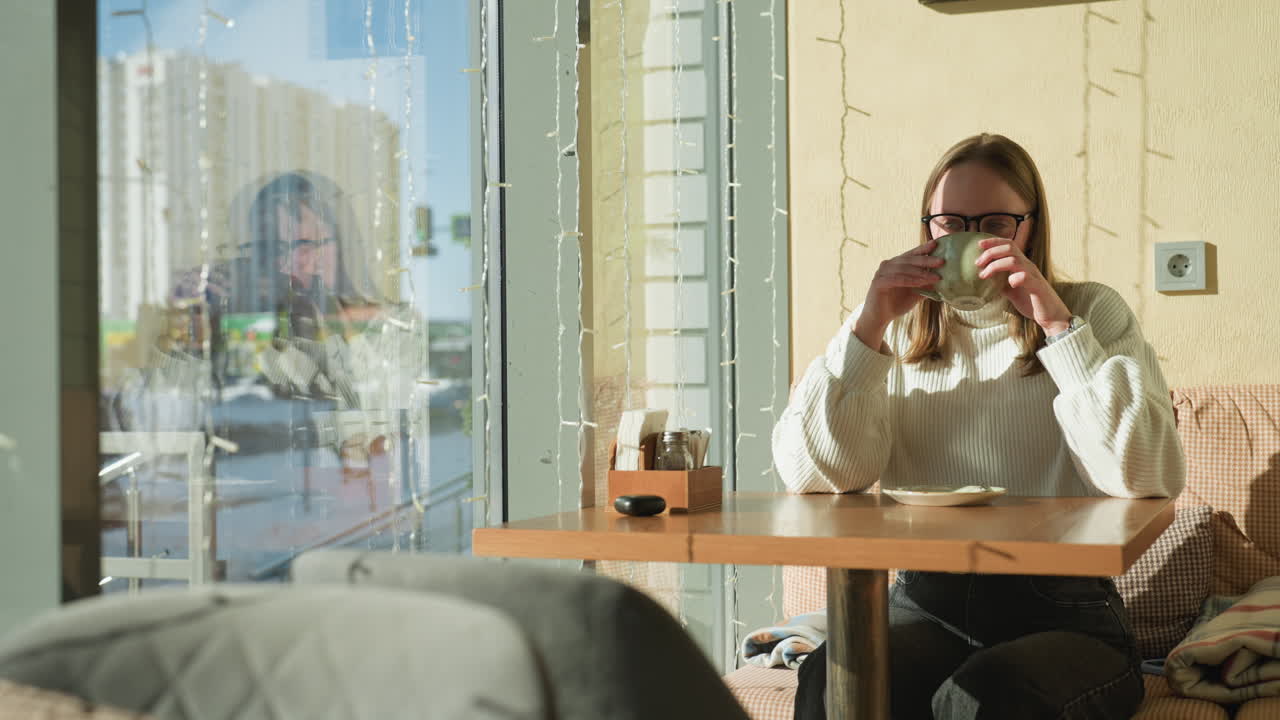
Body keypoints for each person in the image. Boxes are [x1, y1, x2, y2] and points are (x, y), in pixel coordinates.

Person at [775, 133, 1186, 720]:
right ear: (929, 229)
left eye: (996, 221)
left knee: (987, 695)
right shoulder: (892, 326)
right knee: (833, 678)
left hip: (1066, 612)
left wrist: (1055, 324)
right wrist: (868, 327)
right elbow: (813, 475)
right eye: (951, 222)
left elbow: (1148, 475)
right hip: (924, 604)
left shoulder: (1090, 311)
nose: (969, 237)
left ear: (1031, 228)